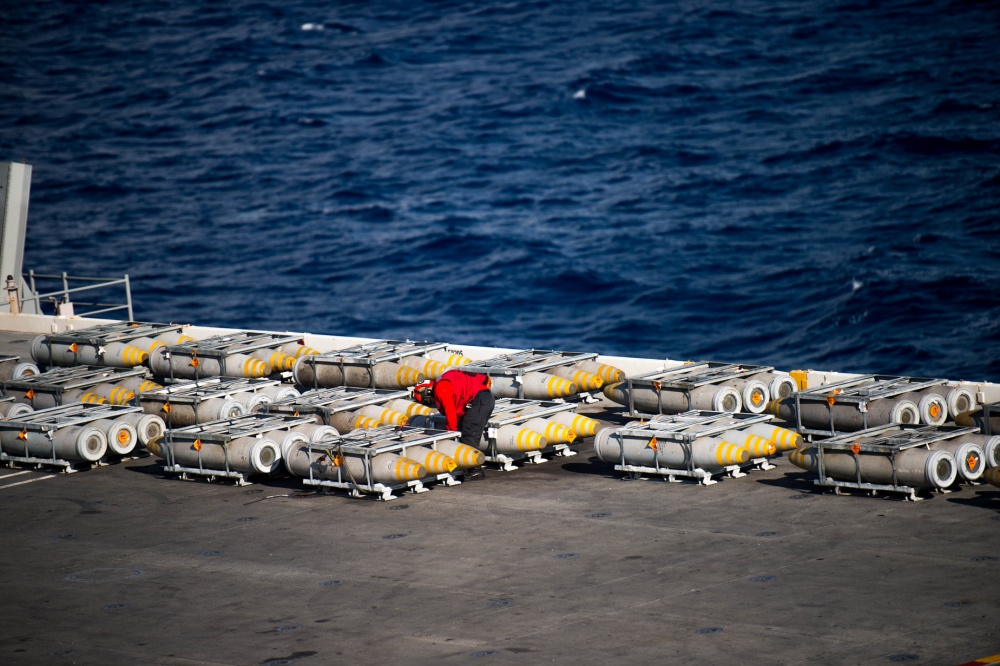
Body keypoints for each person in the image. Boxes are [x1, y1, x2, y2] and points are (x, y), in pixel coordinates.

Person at [412, 369, 495, 448]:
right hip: (484, 398)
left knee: (469, 435)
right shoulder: (443, 382)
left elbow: (450, 411)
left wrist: (450, 433)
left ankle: (469, 459)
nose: (430, 402)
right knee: (467, 427)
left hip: (480, 399)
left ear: (428, 392)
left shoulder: (441, 388)